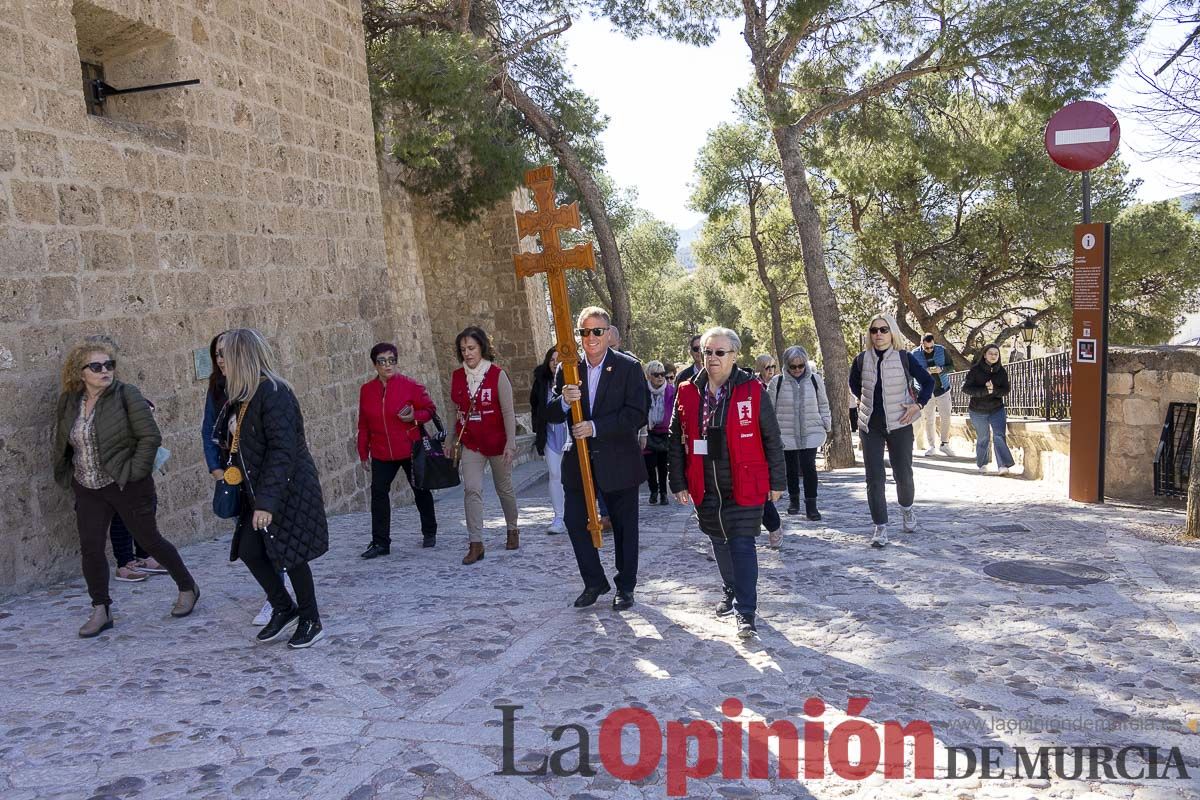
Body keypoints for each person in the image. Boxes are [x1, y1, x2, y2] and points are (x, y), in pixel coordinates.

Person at [53, 340, 199, 638]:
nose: (104, 370)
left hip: (126, 484)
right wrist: (66, 472)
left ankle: (187, 586)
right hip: (87, 485)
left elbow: (150, 437)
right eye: (96, 366)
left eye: (109, 365)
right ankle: (101, 608)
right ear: (80, 372)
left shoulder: (126, 395)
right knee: (91, 549)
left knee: (150, 540)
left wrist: (134, 473)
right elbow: (62, 440)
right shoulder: (70, 401)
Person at [669, 327, 785, 640]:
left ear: (734, 356)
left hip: (745, 482)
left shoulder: (751, 390)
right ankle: (732, 589)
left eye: (720, 352)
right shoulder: (687, 391)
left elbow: (771, 436)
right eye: (707, 352)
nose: (712, 358)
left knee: (742, 543)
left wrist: (778, 479)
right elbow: (676, 439)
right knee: (718, 540)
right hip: (705, 484)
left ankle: (746, 612)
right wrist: (677, 481)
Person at [215, 328, 328, 649]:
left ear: (241, 356)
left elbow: (283, 450)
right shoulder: (242, 396)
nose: (219, 360)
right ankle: (283, 606)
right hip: (258, 491)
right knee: (250, 551)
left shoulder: (274, 393)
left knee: (290, 554)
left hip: (284, 490)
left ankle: (311, 620)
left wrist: (266, 502)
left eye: (224, 354)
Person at [547, 306, 649, 611]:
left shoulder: (628, 368)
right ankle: (594, 581)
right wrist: (564, 401)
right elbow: (550, 412)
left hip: (618, 460)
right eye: (584, 332)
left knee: (624, 527)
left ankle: (625, 587)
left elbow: (637, 413)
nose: (590, 337)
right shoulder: (568, 369)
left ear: (608, 334)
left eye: (596, 331)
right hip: (578, 461)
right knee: (574, 521)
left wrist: (595, 427)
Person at [848, 314, 934, 548]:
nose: (878, 334)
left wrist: (918, 404)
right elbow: (855, 384)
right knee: (874, 478)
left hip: (900, 423)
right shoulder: (860, 359)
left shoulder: (905, 358)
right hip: (870, 426)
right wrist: (865, 404)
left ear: (892, 332)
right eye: (874, 330)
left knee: (903, 473)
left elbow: (928, 382)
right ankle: (880, 526)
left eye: (883, 330)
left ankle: (907, 509)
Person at [357, 342, 439, 558]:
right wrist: (363, 453)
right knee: (378, 494)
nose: (388, 365)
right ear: (375, 364)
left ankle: (429, 531)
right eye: (382, 361)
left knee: (420, 490)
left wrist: (414, 416)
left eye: (392, 360)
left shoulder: (410, 386)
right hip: (382, 452)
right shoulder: (366, 390)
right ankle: (380, 542)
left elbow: (430, 410)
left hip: (410, 448)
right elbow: (363, 424)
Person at [450, 326, 519, 564]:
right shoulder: (457, 377)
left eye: (471, 348)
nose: (467, 353)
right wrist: (452, 440)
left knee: (504, 488)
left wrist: (510, 443)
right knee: (472, 489)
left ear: (482, 348)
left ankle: (512, 528)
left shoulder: (497, 375)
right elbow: (456, 411)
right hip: (471, 442)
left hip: (497, 443)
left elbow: (508, 412)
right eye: (463, 349)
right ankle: (476, 543)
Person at [767, 346, 831, 521]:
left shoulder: (816, 380)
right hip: (785, 432)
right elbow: (769, 409)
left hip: (811, 430)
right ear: (786, 365)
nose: (797, 370)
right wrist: (770, 432)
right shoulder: (776, 382)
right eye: (793, 366)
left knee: (809, 467)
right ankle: (793, 500)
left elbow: (823, 404)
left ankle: (812, 505)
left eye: (801, 366)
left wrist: (826, 423)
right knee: (791, 469)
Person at [963, 344, 1016, 475]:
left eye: (996, 354)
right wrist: (985, 391)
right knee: (983, 438)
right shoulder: (975, 370)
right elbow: (966, 388)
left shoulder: (1001, 371)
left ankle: (1003, 465)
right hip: (977, 410)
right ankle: (982, 463)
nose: (993, 356)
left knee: (999, 436)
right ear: (985, 355)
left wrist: (994, 390)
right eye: (991, 353)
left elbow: (1006, 390)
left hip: (996, 409)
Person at [531, 345, 568, 534]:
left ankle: (577, 514)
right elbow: (535, 407)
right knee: (555, 475)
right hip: (550, 435)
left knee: (573, 476)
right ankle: (559, 517)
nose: (555, 364)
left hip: (570, 434)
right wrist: (538, 431)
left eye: (559, 360)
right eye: (552, 360)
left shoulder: (573, 379)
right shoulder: (541, 381)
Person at [912, 333, 955, 457]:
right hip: (925, 391)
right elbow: (911, 372)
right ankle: (931, 446)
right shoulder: (914, 354)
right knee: (929, 419)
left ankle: (945, 444)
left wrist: (942, 369)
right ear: (921, 344)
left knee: (946, 416)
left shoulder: (942, 350)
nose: (930, 350)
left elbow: (951, 366)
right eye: (927, 348)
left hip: (943, 389)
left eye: (931, 347)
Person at [642, 360, 675, 505]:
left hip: (665, 432)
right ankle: (653, 491)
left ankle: (663, 493)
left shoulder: (671, 391)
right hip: (647, 432)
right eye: (656, 374)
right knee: (649, 465)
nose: (660, 377)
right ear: (649, 376)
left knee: (662, 466)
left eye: (662, 374)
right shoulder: (642, 391)